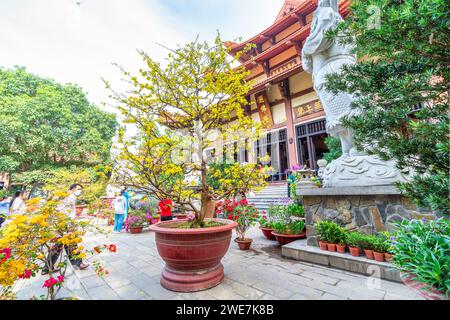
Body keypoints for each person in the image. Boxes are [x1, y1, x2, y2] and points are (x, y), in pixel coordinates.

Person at [43, 184, 89, 274]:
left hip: (59, 223)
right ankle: (78, 263)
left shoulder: (63, 196)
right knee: (70, 243)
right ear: (73, 189)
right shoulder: (71, 196)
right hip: (66, 223)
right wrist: (70, 225)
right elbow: (68, 212)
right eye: (78, 189)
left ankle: (47, 268)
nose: (79, 191)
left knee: (59, 245)